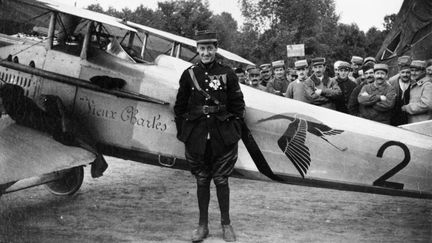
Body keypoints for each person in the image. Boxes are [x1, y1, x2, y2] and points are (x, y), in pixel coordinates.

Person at [174, 30, 245, 242]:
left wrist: (233, 130)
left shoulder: (227, 73)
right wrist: (185, 132)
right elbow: (179, 107)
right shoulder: (189, 74)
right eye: (202, 49)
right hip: (196, 135)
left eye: (210, 48)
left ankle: (226, 225)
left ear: (216, 49)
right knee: (202, 180)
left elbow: (238, 106)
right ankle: (202, 226)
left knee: (222, 180)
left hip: (222, 135)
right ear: (197, 50)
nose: (206, 53)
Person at [389, 56, 412, 126]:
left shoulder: (414, 82)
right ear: (399, 71)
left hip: (410, 117)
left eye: (408, 72)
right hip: (394, 117)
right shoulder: (392, 81)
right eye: (403, 72)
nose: (405, 75)